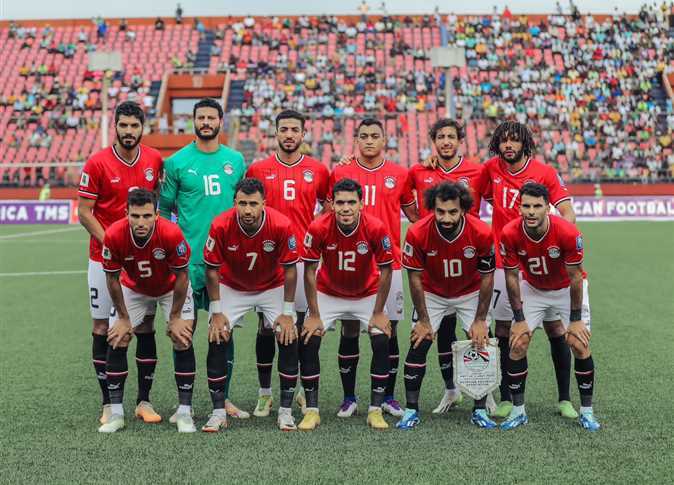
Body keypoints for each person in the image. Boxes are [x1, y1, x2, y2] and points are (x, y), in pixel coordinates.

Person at [476, 121, 578, 420]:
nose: (508, 145)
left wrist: (558, 243)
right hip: (503, 262)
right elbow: (468, 190)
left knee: (555, 328)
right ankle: (507, 397)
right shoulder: (490, 169)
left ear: (525, 143)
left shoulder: (544, 172)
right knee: (504, 329)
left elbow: (567, 211)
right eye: (503, 140)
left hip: (539, 264)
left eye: (514, 140)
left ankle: (564, 399)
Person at [159, 98, 248, 420]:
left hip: (224, 264)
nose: (206, 122)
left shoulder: (235, 160)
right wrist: (170, 248)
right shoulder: (177, 162)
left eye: (211, 117)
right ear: (193, 121)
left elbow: (245, 204)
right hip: (187, 263)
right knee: (184, 332)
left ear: (220, 122)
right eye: (201, 117)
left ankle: (223, 399)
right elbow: (163, 210)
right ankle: (184, 402)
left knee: (223, 332)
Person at [78, 101, 163, 426]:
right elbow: (84, 212)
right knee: (103, 328)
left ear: (143, 127)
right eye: (123, 125)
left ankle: (144, 401)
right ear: (115, 126)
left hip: (143, 262)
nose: (129, 131)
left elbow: (157, 205)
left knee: (145, 326)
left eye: (134, 126)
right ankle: (108, 403)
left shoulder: (154, 160)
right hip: (103, 260)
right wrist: (112, 245)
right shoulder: (97, 162)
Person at [330, 118, 419, 418]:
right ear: (356, 140)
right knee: (349, 329)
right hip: (351, 264)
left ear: (384, 140)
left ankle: (388, 397)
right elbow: (329, 213)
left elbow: (414, 216)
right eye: (363, 136)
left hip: (388, 264)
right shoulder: (341, 172)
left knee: (388, 331)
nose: (369, 140)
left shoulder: (400, 174)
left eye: (375, 136)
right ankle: (349, 397)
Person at [246, 110, 329, 417]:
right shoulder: (258, 168)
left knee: (304, 327)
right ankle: (265, 393)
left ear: (303, 134)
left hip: (304, 261)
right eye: (284, 129)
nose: (289, 134)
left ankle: (304, 392)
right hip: (269, 261)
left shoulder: (318, 169)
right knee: (267, 327)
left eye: (295, 129)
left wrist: (315, 229)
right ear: (276, 133)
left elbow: (329, 204)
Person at [202, 178, 300, 431]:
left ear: (264, 203)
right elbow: (211, 270)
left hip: (271, 286)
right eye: (242, 203)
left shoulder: (281, 224)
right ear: (234, 202)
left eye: (253, 204)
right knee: (217, 335)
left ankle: (286, 411)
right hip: (233, 286)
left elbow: (290, 269)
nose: (247, 210)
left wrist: (287, 312)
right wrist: (216, 312)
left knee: (287, 334)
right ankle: (218, 412)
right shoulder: (220, 224)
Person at [500, 183, 599, 431]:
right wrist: (519, 318)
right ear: (519, 207)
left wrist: (575, 319)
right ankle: (518, 411)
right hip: (533, 289)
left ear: (548, 208)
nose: (531, 211)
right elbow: (511, 276)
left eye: (537, 206)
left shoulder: (567, 232)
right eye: (526, 206)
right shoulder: (510, 232)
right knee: (518, 342)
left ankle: (587, 412)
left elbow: (576, 277)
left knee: (578, 343)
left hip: (566, 290)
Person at [397, 182, 496, 429]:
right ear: (433, 208)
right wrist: (423, 321)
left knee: (481, 342)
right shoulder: (417, 232)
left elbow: (487, 277)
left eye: (453, 212)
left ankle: (480, 410)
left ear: (463, 209)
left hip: (469, 292)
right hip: (432, 293)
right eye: (440, 212)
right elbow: (414, 279)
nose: (446, 218)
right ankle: (411, 410)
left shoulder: (481, 232)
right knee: (418, 343)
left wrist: (480, 320)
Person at [98, 189, 196, 433]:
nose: (141, 222)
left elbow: (182, 276)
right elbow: (112, 279)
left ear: (157, 215)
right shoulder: (114, 234)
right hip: (134, 288)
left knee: (182, 337)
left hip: (171, 288)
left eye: (146, 216)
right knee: (118, 336)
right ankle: (116, 413)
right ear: (126, 214)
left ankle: (185, 412)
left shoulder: (171, 233)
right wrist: (123, 318)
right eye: (135, 216)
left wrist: (175, 317)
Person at [302, 178, 395, 430]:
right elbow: (309, 270)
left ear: (361, 204)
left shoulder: (375, 227)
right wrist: (314, 314)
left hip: (367, 293)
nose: (345, 208)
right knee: (309, 339)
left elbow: (387, 270)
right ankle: (312, 410)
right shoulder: (318, 227)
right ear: (331, 205)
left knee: (381, 339)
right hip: (329, 292)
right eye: (340, 202)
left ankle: (375, 410)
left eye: (351, 202)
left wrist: (378, 311)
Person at [408, 118, 485, 414]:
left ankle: (483, 392)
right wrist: (423, 230)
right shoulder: (420, 171)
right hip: (435, 266)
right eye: (440, 136)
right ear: (433, 140)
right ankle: (451, 391)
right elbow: (403, 200)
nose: (446, 141)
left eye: (451, 136)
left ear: (460, 140)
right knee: (438, 333)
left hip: (468, 265)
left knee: (476, 333)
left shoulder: (478, 171)